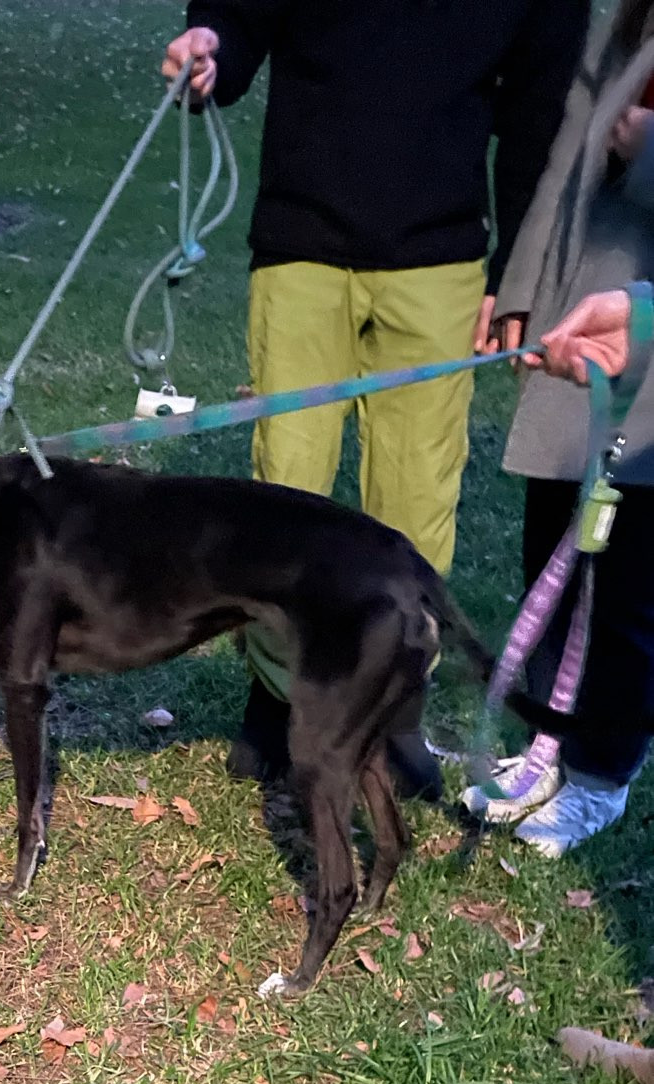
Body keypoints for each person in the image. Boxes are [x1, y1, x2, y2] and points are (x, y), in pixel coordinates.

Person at [162, 1, 587, 793]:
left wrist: (514, 278)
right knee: (286, 496)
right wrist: (209, 44)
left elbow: (539, 110)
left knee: (417, 504)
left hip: (441, 259)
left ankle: (395, 712)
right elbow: (242, 17)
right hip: (301, 248)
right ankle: (277, 701)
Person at [466, 0, 654, 857]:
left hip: (641, 346)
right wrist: (519, 294)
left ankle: (602, 772)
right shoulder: (621, 30)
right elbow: (559, 168)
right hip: (577, 327)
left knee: (623, 582)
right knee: (550, 547)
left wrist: (646, 150)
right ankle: (542, 746)